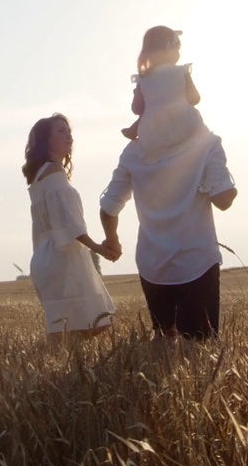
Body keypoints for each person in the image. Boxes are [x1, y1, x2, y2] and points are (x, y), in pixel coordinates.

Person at [99, 124, 237, 341]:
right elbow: (223, 200)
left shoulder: (133, 151)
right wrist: (228, 186)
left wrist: (112, 239)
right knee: (200, 350)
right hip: (197, 263)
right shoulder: (206, 142)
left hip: (153, 265)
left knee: (164, 343)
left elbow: (108, 208)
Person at [23, 113, 122, 344]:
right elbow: (68, 223)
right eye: (61, 131)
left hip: (45, 256)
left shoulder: (39, 176)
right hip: (62, 257)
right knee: (83, 327)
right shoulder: (55, 175)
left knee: (72, 329)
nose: (69, 136)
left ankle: (54, 371)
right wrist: (98, 247)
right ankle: (56, 375)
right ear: (46, 140)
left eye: (69, 131)